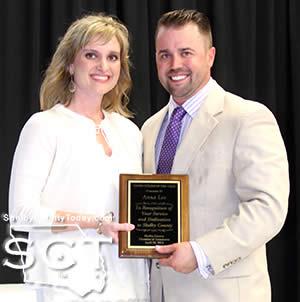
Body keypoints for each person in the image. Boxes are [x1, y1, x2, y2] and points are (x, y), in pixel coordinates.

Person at [141, 9, 289, 302]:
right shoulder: (149, 128)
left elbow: (268, 207)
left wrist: (201, 253)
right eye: (164, 55)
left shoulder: (248, 117)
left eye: (186, 52)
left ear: (210, 56)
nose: (175, 64)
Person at [9, 13, 149, 302]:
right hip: (68, 283)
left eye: (113, 57)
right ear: (71, 63)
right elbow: (21, 214)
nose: (103, 66)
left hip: (129, 283)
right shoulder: (44, 125)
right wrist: (95, 223)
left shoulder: (129, 130)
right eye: (91, 55)